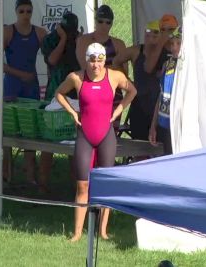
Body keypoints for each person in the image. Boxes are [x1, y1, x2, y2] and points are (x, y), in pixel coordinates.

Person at [55, 43, 137, 241]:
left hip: (106, 136)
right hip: (85, 135)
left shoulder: (115, 76)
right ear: (86, 60)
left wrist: (119, 111)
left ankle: (102, 230)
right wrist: (73, 113)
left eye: (100, 60)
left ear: (104, 60)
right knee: (82, 185)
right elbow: (59, 93)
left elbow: (132, 91)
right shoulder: (77, 77)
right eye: (92, 60)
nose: (96, 65)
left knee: (105, 184)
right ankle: (77, 232)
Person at [3, 0, 47, 184]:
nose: (25, 14)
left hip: (31, 85)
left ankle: (30, 174)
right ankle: (6, 174)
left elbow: (52, 57)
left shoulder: (40, 32)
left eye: (28, 11)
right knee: (8, 130)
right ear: (16, 12)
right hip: (13, 83)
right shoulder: (8, 31)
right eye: (21, 11)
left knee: (31, 129)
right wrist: (20, 74)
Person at [38, 12, 81, 193]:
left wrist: (73, 39)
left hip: (74, 93)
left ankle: (75, 183)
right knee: (49, 140)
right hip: (55, 91)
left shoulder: (79, 40)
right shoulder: (51, 39)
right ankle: (43, 184)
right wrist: (62, 39)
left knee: (74, 138)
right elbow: (52, 60)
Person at [113, 19, 169, 145]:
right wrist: (127, 82)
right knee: (140, 146)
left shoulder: (166, 51)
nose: (151, 36)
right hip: (140, 104)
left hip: (159, 104)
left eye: (156, 33)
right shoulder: (136, 51)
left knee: (160, 145)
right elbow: (116, 61)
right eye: (148, 32)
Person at [75, 5, 127, 131]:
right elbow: (86, 68)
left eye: (108, 22)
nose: (104, 25)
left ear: (111, 24)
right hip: (91, 93)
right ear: (95, 20)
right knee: (91, 132)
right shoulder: (84, 40)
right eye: (100, 21)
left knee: (110, 134)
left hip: (113, 96)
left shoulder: (118, 44)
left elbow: (124, 74)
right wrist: (112, 67)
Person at [149, 27, 182, 155]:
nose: (174, 48)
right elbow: (161, 95)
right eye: (172, 43)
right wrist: (153, 125)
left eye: (178, 43)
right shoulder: (166, 65)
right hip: (165, 122)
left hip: (182, 123)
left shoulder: (190, 66)